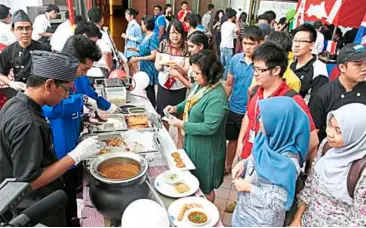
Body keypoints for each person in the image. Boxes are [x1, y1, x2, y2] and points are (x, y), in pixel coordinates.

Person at [0, 50, 99, 226]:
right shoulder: (28, 123)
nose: (67, 96)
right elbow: (29, 182)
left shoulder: (15, 102)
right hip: (35, 207)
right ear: (49, 84)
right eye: (66, 90)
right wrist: (75, 156)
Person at [42, 34, 102, 226]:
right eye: (84, 69)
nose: (84, 74)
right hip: (60, 149)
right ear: (71, 61)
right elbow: (50, 108)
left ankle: (74, 217)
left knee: (72, 187)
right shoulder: (52, 76)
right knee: (63, 194)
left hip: (72, 139)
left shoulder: (72, 77)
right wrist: (81, 101)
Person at [232, 96, 310, 227]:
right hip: (243, 212)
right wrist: (244, 164)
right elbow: (256, 157)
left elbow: (281, 201)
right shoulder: (266, 137)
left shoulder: (288, 163)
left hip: (262, 222)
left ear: (280, 123)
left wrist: (250, 188)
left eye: (265, 118)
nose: (260, 120)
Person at [236, 43, 318, 165]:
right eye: (254, 68)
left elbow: (313, 141)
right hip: (247, 160)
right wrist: (240, 142)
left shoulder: (292, 100)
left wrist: (285, 166)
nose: (255, 74)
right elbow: (248, 116)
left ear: (276, 70)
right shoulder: (255, 91)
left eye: (260, 70)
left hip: (270, 171)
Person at [164, 49, 228, 202]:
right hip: (192, 143)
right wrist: (176, 108)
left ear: (210, 74)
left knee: (205, 187)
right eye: (193, 71)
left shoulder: (218, 97)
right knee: (192, 180)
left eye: (197, 73)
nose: (193, 75)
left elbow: (210, 127)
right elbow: (189, 100)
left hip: (207, 150)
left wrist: (182, 124)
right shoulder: (200, 85)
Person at [290, 103, 366, 227]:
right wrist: (297, 219)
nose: (330, 133)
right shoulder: (328, 147)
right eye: (330, 125)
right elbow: (310, 185)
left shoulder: (361, 171)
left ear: (357, 135)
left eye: (339, 131)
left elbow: (359, 220)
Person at [224, 26, 263, 176]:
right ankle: (227, 167)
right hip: (233, 108)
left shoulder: (262, 64)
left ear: (260, 43)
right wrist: (223, 104)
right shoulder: (235, 59)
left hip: (252, 113)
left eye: (251, 43)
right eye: (245, 43)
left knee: (249, 143)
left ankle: (246, 170)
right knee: (232, 140)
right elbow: (228, 84)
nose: (247, 47)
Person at [310, 44, 366, 141]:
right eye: (358, 64)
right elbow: (315, 131)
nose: (364, 68)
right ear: (342, 67)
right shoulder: (324, 95)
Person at [0, 10, 52, 101]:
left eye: (27, 28)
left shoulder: (44, 48)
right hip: (20, 92)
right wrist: (11, 83)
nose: (25, 32)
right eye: (20, 28)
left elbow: (52, 72)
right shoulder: (8, 51)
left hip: (41, 92)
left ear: (32, 29)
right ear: (13, 30)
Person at [155, 20, 190, 149]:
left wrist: (177, 68)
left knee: (179, 119)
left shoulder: (186, 47)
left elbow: (187, 69)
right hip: (164, 87)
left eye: (178, 33)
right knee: (164, 118)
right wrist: (162, 64)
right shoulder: (163, 44)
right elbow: (157, 64)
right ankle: (165, 147)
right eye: (172, 33)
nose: (175, 36)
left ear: (182, 34)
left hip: (179, 88)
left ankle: (180, 149)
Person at [73, 23, 120, 113]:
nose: (94, 46)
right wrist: (109, 107)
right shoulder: (76, 59)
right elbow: (86, 91)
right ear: (84, 36)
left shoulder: (78, 54)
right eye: (93, 42)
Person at [290, 24, 328, 105]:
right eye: (295, 40)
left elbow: (317, 104)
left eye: (302, 41)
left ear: (312, 45)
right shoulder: (290, 64)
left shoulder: (319, 70)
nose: (296, 45)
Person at [129, 15, 160, 107]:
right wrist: (134, 49)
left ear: (146, 25)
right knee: (145, 88)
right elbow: (144, 49)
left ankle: (152, 107)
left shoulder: (153, 37)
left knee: (150, 89)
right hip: (143, 66)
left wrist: (138, 58)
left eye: (142, 24)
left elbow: (153, 55)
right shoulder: (145, 35)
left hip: (150, 67)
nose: (141, 26)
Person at [88, 7, 114, 75]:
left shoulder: (84, 33)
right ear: (102, 19)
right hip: (101, 71)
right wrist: (110, 69)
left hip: (86, 71)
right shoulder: (102, 34)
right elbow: (107, 53)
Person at [220, 9, 239, 78]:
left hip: (222, 45)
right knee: (228, 64)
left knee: (222, 64)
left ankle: (220, 77)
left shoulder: (224, 24)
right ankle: (224, 79)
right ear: (233, 17)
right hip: (228, 46)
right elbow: (238, 32)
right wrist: (237, 22)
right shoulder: (233, 25)